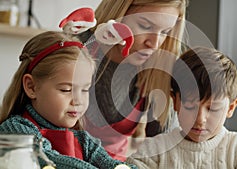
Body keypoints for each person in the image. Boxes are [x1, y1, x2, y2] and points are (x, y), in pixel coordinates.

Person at [0, 31, 137, 169]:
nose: (77, 100)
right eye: (66, 90)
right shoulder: (15, 131)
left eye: (85, 90)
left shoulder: (85, 141)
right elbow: (47, 159)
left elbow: (112, 165)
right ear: (31, 87)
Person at [126, 46, 237, 168]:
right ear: (175, 101)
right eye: (189, 106)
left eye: (212, 109)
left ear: (231, 107)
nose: (200, 119)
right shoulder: (154, 151)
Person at [78, 0, 189, 161]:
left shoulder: (159, 66)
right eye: (145, 26)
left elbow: (161, 150)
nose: (154, 43)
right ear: (117, 15)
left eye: (165, 31)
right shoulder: (75, 50)